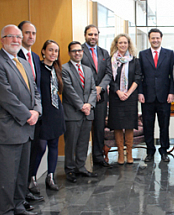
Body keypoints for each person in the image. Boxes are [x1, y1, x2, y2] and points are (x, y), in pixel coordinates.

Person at [0, 24, 41, 215]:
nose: (16, 40)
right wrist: (28, 115)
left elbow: (35, 92)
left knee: (21, 175)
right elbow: (6, 97)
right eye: (11, 37)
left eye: (18, 37)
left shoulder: (24, 63)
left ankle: (19, 206)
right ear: (2, 39)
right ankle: (7, 211)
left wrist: (37, 111)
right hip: (7, 132)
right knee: (7, 178)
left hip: (26, 130)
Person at [28, 40, 66, 191]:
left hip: (56, 112)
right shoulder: (38, 70)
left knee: (54, 145)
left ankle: (50, 177)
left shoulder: (57, 69)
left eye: (56, 51)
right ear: (43, 51)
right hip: (43, 113)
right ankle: (32, 177)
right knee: (41, 147)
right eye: (50, 50)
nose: (53, 54)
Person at [17, 20, 44, 209]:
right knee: (20, 159)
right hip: (20, 117)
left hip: (36, 113)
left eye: (33, 33)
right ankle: (21, 195)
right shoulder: (14, 56)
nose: (31, 37)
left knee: (36, 150)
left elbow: (36, 87)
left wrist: (37, 110)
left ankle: (26, 188)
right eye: (27, 33)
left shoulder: (34, 57)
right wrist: (28, 112)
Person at [138, 28, 174, 163]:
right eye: (153, 38)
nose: (155, 40)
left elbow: (173, 76)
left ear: (161, 38)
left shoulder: (169, 54)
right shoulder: (142, 54)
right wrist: (140, 92)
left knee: (164, 125)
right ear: (149, 39)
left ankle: (164, 150)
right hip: (147, 97)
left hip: (164, 96)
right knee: (148, 125)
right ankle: (150, 151)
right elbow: (139, 76)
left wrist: (172, 92)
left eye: (157, 38)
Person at [62, 41, 97, 183]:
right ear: (70, 53)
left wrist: (89, 104)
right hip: (73, 113)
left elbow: (93, 89)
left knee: (83, 141)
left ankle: (81, 167)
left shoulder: (87, 70)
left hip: (87, 113)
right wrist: (81, 105)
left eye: (79, 50)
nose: (77, 53)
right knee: (71, 143)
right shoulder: (64, 69)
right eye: (74, 51)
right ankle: (70, 170)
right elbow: (68, 90)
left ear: (83, 52)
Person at [81, 25, 112, 168]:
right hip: (85, 98)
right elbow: (80, 73)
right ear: (85, 35)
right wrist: (94, 91)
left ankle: (98, 157)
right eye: (90, 34)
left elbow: (109, 73)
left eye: (95, 34)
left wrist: (100, 88)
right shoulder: (79, 51)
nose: (93, 37)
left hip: (101, 97)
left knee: (99, 128)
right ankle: (80, 162)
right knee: (84, 130)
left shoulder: (104, 53)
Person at [108, 34, 141, 165]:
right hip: (116, 97)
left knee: (129, 126)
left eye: (125, 43)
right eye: (120, 43)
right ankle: (120, 153)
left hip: (130, 97)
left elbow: (138, 77)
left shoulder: (134, 60)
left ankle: (129, 153)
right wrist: (119, 92)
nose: (123, 45)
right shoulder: (111, 60)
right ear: (116, 44)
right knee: (117, 125)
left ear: (129, 44)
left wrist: (127, 92)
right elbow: (110, 78)